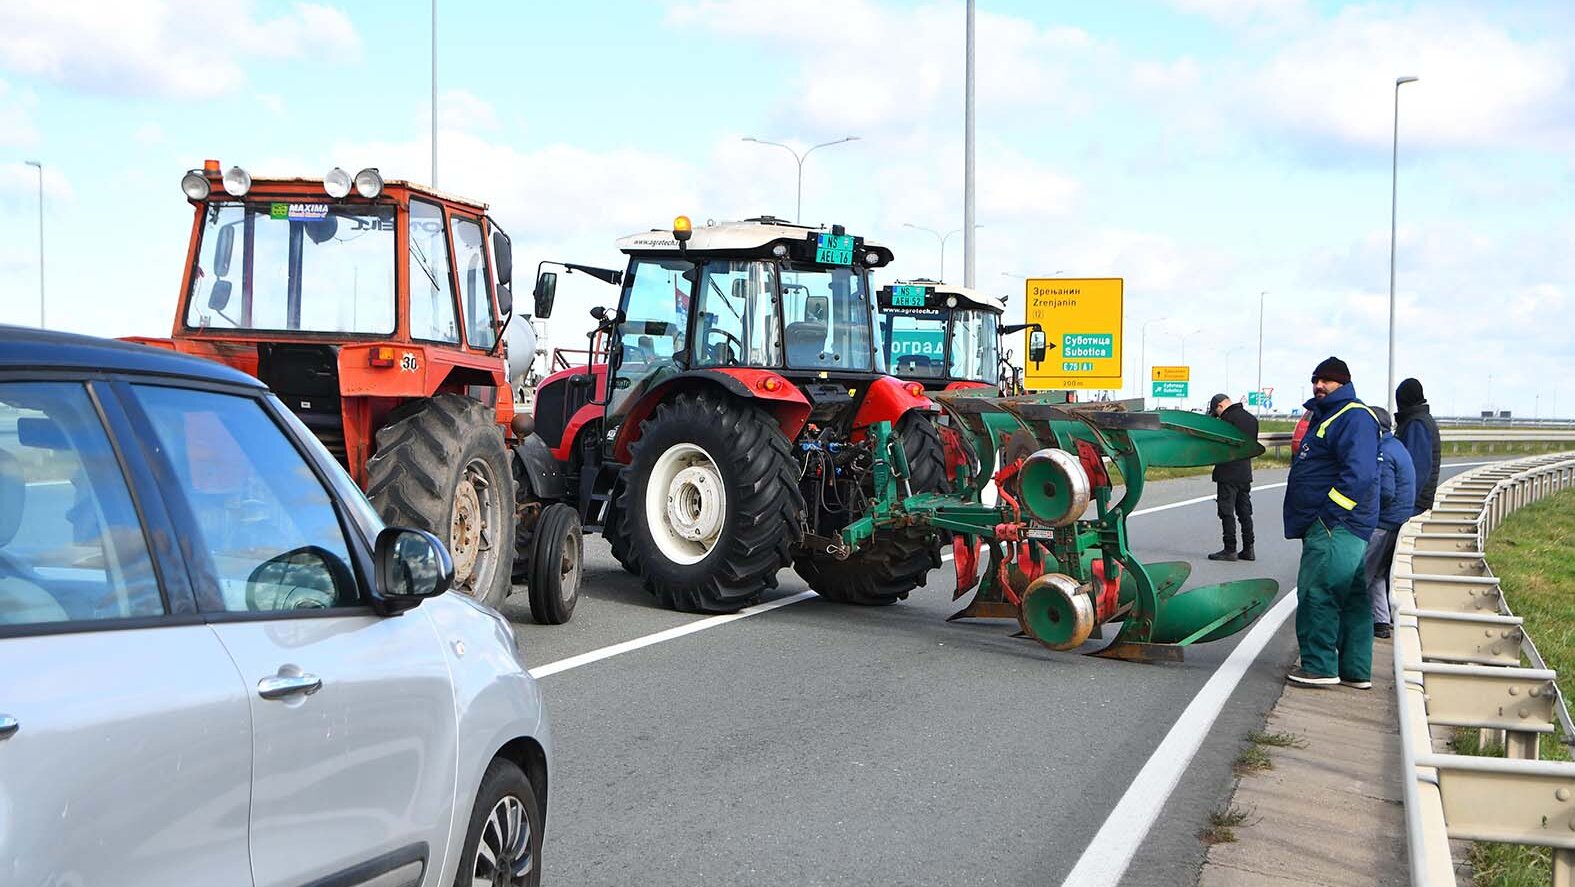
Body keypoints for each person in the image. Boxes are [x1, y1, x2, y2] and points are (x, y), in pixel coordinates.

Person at [1283, 356, 1381, 688]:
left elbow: (1360, 473)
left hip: (1336, 526)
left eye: (1327, 380)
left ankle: (1320, 666)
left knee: (1318, 591)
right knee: (1352, 597)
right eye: (1316, 380)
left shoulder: (1353, 417)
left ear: (1343, 383)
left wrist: (1329, 514)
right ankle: (1355, 670)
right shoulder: (1330, 416)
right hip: (1340, 525)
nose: (1319, 385)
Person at [1363, 407, 1416, 640]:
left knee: (1360, 574)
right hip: (1400, 521)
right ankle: (1381, 621)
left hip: (1384, 522)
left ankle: (1347, 624)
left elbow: (1384, 492)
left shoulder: (1383, 450)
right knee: (1378, 573)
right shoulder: (1398, 446)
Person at [1207, 393, 1259, 562]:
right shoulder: (1251, 419)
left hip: (1227, 472)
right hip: (1245, 472)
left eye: (1216, 412)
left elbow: (1217, 446)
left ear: (1220, 406)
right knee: (1245, 511)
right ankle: (1249, 549)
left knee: (1226, 511)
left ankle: (1230, 549)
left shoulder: (1226, 421)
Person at [1395, 377, 1442, 513]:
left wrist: (1403, 503)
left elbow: (1417, 469)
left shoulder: (1416, 424)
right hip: (1417, 500)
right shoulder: (1420, 420)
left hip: (1415, 502)